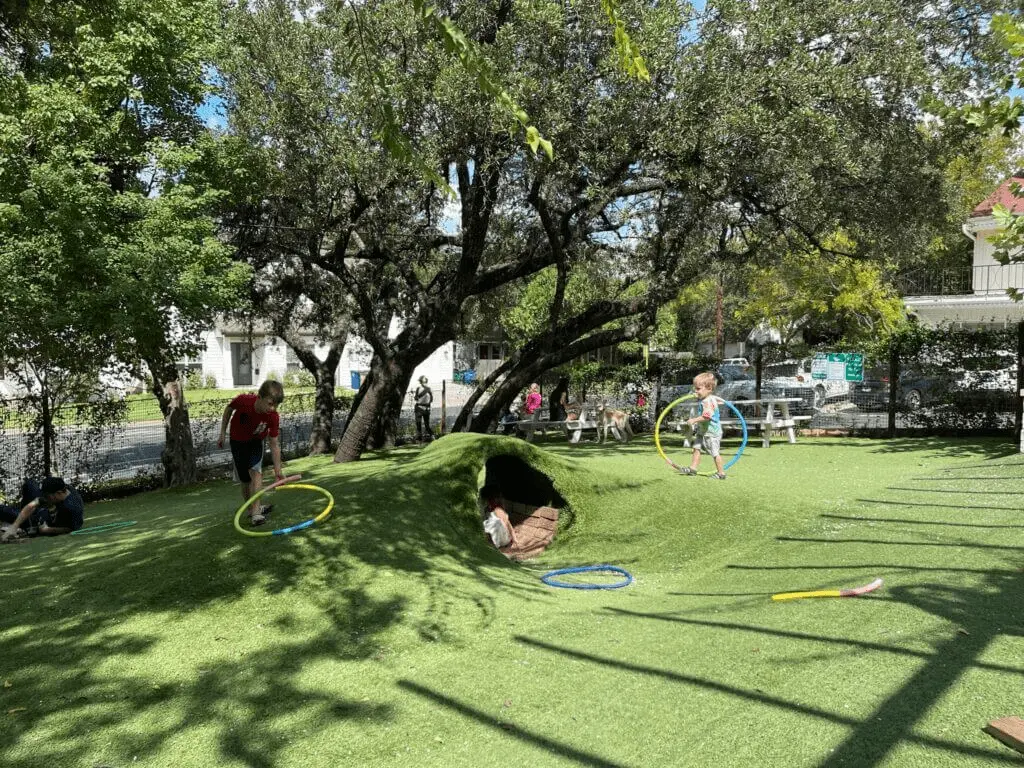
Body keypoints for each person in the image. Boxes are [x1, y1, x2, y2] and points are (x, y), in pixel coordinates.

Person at [218, 380, 285, 526]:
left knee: (256, 472)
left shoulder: (273, 417)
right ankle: (251, 509)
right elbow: (228, 409)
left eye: (276, 405)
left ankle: (256, 513)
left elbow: (274, 444)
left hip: (256, 443)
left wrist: (278, 471)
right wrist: (223, 432)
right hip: (238, 442)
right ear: (259, 397)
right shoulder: (244, 401)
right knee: (245, 480)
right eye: (270, 403)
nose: (273, 408)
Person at [0, 477, 85, 541]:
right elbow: (33, 504)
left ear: (58, 493)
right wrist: (15, 526)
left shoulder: (71, 508)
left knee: (2, 510)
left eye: (47, 496)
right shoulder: (64, 489)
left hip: (40, 522)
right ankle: (18, 518)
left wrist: (46, 530)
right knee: (30, 483)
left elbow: (71, 528)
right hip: (44, 511)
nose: (45, 498)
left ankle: (22, 523)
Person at [680, 371, 727, 480]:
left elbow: (707, 416)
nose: (695, 391)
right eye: (695, 388)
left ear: (709, 388)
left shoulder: (706, 401)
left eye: (698, 389)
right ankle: (693, 468)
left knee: (714, 453)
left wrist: (694, 420)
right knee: (696, 448)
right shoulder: (709, 398)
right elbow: (722, 402)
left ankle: (721, 473)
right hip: (703, 431)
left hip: (712, 433)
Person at [479, 484, 518, 550]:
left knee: (494, 522)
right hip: (503, 538)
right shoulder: (492, 509)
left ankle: (494, 545)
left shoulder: (498, 510)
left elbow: (508, 525)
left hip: (504, 540)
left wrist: (515, 540)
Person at [414, 375, 433, 441]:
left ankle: (431, 436)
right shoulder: (419, 389)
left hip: (423, 408)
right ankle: (420, 438)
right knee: (419, 424)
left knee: (425, 425)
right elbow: (416, 398)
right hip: (420, 407)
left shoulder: (428, 389)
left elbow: (431, 399)